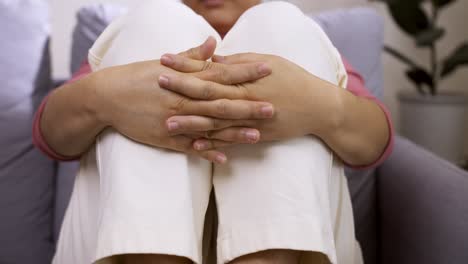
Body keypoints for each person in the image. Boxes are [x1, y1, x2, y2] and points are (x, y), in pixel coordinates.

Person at [34, 0, 394, 264]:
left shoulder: (300, 41)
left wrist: (315, 105)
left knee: (281, 23)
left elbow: (373, 143)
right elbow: (51, 135)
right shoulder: (137, 36)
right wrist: (104, 97)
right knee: (156, 20)